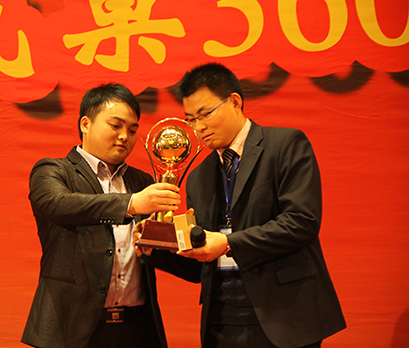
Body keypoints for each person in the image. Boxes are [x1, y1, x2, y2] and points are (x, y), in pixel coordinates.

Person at [139, 62, 346, 348]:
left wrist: (227, 243)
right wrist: (156, 247)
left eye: (205, 114)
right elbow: (202, 265)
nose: (199, 127)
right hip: (223, 320)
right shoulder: (198, 176)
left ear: (235, 102)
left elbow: (301, 222)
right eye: (191, 119)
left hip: (286, 315)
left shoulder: (284, 144)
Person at [21, 83, 182, 348]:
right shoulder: (53, 170)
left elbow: (154, 252)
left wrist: (177, 237)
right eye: (115, 125)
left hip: (137, 329)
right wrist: (131, 203)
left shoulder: (142, 181)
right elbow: (57, 205)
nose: (124, 136)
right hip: (71, 331)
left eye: (132, 130)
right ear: (85, 124)